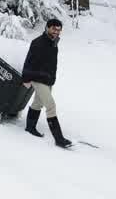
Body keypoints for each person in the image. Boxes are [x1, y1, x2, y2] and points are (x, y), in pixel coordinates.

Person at [22, 18, 72, 148]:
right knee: (51, 105)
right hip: (37, 78)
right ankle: (59, 138)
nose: (57, 32)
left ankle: (30, 127)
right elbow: (29, 61)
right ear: (47, 28)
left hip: (47, 79)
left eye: (59, 30)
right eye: (54, 29)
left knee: (38, 103)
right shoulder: (38, 43)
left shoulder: (53, 44)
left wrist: (52, 79)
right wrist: (26, 78)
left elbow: (52, 65)